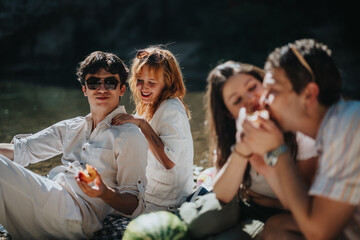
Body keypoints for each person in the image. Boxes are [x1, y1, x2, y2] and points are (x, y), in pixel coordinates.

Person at [0, 51, 148, 239]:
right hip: (51, 196)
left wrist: (105, 193)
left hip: (75, 215)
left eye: (110, 82)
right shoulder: (71, 127)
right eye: (94, 83)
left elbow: (134, 204)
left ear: (121, 89)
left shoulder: (129, 135)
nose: (101, 88)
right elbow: (21, 151)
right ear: (85, 89)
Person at [240, 39, 360, 240]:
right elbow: (300, 207)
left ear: (309, 94)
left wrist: (278, 150)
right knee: (276, 228)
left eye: (273, 91)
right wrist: (268, 165)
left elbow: (318, 231)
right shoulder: (331, 128)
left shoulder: (347, 129)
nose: (263, 100)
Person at [200, 61, 318, 238]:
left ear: (264, 83)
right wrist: (242, 150)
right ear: (229, 113)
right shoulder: (231, 137)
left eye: (252, 87)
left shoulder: (298, 129)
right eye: (237, 100)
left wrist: (271, 159)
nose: (250, 99)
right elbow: (223, 195)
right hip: (249, 211)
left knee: (276, 230)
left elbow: (304, 202)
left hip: (293, 215)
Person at [111, 45, 194, 212]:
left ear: (167, 82)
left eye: (152, 82)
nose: (143, 87)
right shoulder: (151, 103)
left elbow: (169, 162)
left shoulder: (171, 109)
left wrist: (141, 124)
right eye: (139, 80)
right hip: (154, 193)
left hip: (166, 202)